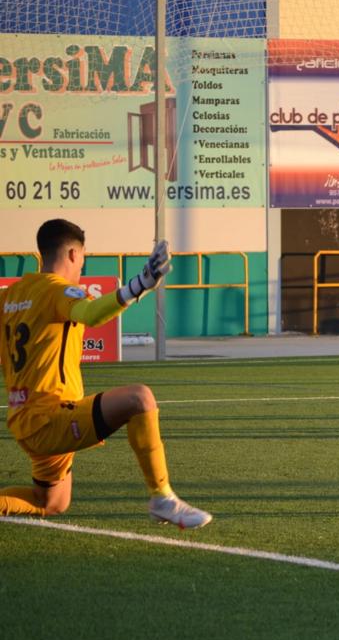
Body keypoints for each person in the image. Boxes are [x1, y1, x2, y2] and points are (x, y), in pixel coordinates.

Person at [0, 219, 212, 527]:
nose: (82, 267)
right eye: (83, 259)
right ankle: (161, 497)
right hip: (49, 418)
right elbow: (89, 314)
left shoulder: (11, 296)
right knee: (140, 399)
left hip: (24, 420)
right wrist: (139, 286)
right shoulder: (58, 291)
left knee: (51, 502)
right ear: (73, 254)